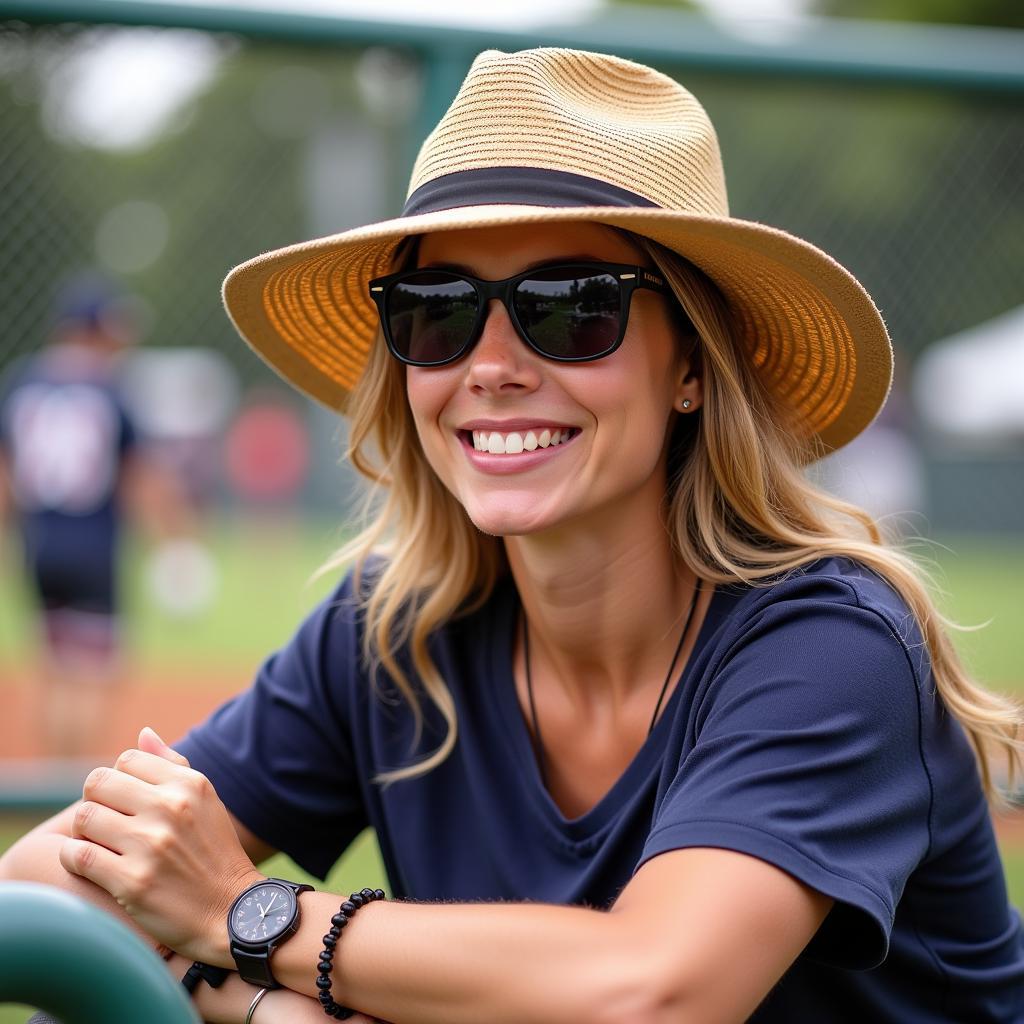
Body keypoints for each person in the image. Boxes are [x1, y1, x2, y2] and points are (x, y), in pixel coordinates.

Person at [2, 47, 1023, 1024]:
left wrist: (247, 916)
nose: (488, 365)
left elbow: (648, 988)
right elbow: (41, 892)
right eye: (434, 313)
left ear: (692, 367)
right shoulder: (392, 629)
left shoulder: (830, 646)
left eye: (572, 307)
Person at [0, 274, 191, 758]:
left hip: (40, 544)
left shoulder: (23, 383)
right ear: (91, 329)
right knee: (93, 676)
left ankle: (50, 778)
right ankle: (73, 783)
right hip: (93, 548)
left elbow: (7, 475)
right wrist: (174, 544)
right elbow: (140, 479)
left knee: (52, 668)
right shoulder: (109, 389)